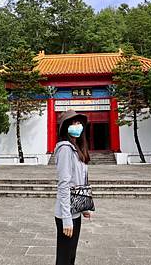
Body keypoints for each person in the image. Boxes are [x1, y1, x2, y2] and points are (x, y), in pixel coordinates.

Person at [54, 109, 92, 265]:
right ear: (65, 127)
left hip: (75, 211)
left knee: (71, 256)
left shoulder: (77, 149)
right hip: (66, 214)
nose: (77, 125)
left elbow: (80, 181)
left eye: (78, 123)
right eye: (72, 123)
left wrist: (83, 206)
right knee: (64, 258)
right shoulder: (64, 149)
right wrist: (66, 219)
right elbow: (64, 185)